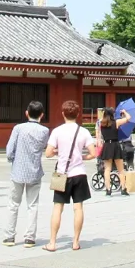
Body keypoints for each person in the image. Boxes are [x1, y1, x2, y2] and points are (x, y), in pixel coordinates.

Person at [43, 100, 97, 252]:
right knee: (78, 207)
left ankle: (52, 243)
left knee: (57, 208)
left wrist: (57, 152)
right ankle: (75, 241)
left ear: (63, 114)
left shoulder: (57, 131)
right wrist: (81, 157)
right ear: (78, 114)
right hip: (79, 173)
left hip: (62, 173)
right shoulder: (83, 132)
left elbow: (47, 153)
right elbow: (93, 154)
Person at [2, 100, 49, 248]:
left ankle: (9, 237)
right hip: (34, 171)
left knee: (13, 204)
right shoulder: (44, 131)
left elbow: (10, 150)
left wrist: (12, 159)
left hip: (18, 171)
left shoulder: (18, 128)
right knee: (32, 205)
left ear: (26, 113)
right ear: (42, 115)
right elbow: (43, 147)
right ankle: (30, 237)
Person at [97, 109, 131, 196]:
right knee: (120, 169)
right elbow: (128, 118)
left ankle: (108, 189)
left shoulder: (101, 123)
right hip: (115, 145)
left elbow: (98, 135)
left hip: (107, 145)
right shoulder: (116, 122)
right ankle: (123, 188)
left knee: (107, 169)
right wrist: (124, 112)